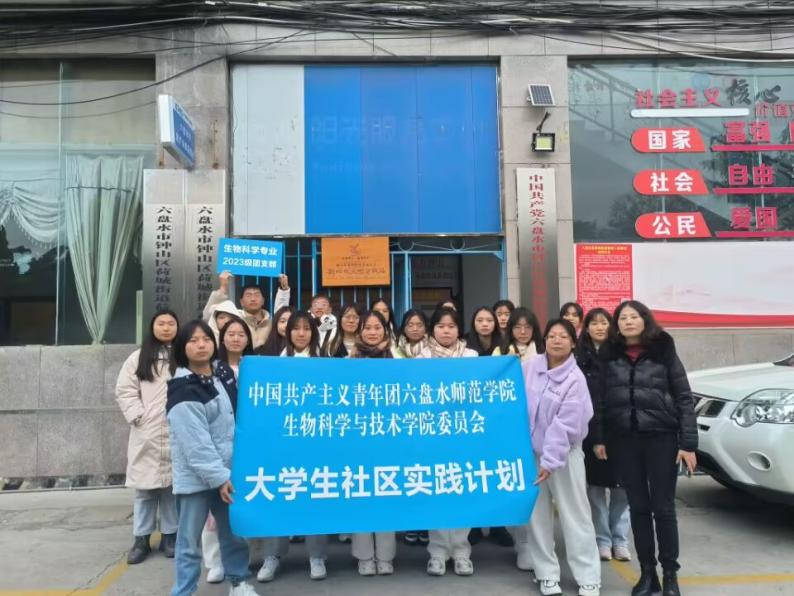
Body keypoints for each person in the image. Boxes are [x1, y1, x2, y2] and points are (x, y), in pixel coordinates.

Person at [594, 301, 697, 596]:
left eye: (634, 316)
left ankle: (670, 575)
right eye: (622, 318)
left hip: (661, 438)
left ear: (644, 320)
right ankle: (647, 573)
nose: (628, 321)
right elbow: (600, 400)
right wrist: (600, 438)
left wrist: (688, 443)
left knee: (663, 508)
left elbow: (683, 396)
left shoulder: (663, 348)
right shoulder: (609, 353)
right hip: (624, 440)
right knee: (638, 508)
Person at [166, 319, 260, 596]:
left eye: (206, 339)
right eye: (193, 341)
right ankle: (184, 591)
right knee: (188, 542)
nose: (201, 345)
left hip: (226, 474)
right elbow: (196, 445)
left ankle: (239, 582)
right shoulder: (183, 388)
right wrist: (220, 478)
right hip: (197, 480)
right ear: (182, 348)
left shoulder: (219, 378)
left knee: (233, 534)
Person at [521, 318, 601, 596]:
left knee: (575, 515)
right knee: (537, 516)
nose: (557, 340)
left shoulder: (575, 379)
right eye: (552, 336)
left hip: (564, 456)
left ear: (573, 343)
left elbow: (566, 425)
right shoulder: (529, 368)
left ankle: (588, 576)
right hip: (531, 455)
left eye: (563, 337)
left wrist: (550, 460)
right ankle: (545, 574)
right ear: (544, 340)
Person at [257, 311, 329, 582]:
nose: (301, 333)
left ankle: (317, 556)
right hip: (281, 443)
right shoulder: (274, 363)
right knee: (279, 496)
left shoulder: (325, 363)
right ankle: (272, 556)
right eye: (296, 328)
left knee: (315, 496)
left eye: (306, 329)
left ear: (313, 333)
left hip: (315, 442)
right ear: (288, 333)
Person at [115, 310, 179, 565]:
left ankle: (170, 536)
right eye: (161, 323)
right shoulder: (138, 357)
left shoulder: (182, 355)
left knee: (171, 488)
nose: (166, 328)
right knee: (145, 489)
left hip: (175, 429)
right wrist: (138, 417)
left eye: (171, 324)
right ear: (152, 327)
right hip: (147, 431)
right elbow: (125, 390)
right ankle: (141, 538)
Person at [417, 307, 478, 577]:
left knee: (462, 491)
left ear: (458, 330)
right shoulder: (421, 358)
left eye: (451, 326)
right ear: (433, 329)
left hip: (464, 433)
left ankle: (462, 552)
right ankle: (438, 552)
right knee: (437, 492)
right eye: (441, 326)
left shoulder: (471, 357)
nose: (446, 331)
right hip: (433, 434)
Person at [202, 316, 256, 583]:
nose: (236, 338)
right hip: (221, 443)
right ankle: (214, 561)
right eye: (231, 334)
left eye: (241, 334)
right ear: (221, 339)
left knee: (243, 501)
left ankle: (241, 558)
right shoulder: (212, 369)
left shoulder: (256, 366)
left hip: (250, 443)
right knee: (216, 506)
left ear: (248, 339)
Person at [576, 308, 631, 563]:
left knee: (623, 487)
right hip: (590, 430)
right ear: (586, 328)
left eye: (604, 322)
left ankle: (620, 539)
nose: (599, 327)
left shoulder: (622, 354)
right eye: (594, 323)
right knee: (596, 489)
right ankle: (602, 540)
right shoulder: (578, 357)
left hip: (620, 429)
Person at [348, 310, 399, 575]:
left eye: (377, 327)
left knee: (386, 495)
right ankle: (364, 556)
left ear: (385, 330)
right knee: (361, 496)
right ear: (360, 331)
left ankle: (386, 556)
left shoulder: (395, 356)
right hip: (358, 437)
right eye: (367, 327)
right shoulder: (350, 358)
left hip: (388, 436)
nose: (372, 332)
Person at [464, 306, 514, 549]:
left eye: (488, 320)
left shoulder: (505, 348)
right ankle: (474, 525)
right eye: (479, 320)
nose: (484, 324)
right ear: (473, 323)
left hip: (498, 419)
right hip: (471, 418)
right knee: (474, 472)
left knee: (496, 473)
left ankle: (498, 526)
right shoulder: (465, 348)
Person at [203, 271, 291, 349]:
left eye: (257, 295)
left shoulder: (272, 324)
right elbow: (209, 316)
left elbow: (282, 312)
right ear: (241, 302)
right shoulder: (235, 320)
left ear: (263, 301)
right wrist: (223, 288)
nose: (253, 299)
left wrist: (284, 290)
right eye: (248, 295)